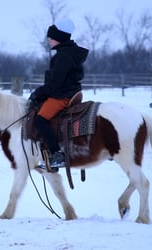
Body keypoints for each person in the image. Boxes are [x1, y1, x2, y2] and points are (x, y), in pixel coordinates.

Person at [27, 18, 89, 171]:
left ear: (59, 38)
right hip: (71, 91)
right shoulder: (70, 53)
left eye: (51, 37)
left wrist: (37, 93)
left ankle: (57, 154)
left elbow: (55, 84)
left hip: (62, 95)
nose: (49, 40)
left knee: (40, 120)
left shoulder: (62, 57)